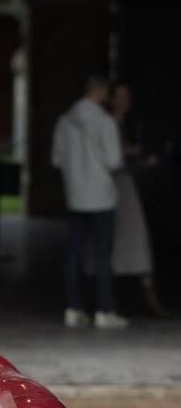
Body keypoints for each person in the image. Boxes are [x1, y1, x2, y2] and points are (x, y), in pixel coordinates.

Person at [52, 75, 128, 330]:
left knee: (73, 253)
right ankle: (103, 310)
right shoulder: (105, 121)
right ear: (102, 91)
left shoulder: (64, 121)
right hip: (102, 196)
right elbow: (114, 161)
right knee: (103, 255)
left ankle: (73, 308)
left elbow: (57, 159)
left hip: (75, 195)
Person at [108, 83, 167, 318]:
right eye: (121, 96)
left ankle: (146, 295)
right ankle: (113, 299)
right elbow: (114, 157)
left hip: (130, 184)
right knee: (115, 242)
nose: (126, 101)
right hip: (115, 186)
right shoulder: (109, 124)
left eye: (127, 96)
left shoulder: (131, 125)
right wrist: (134, 156)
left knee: (137, 241)